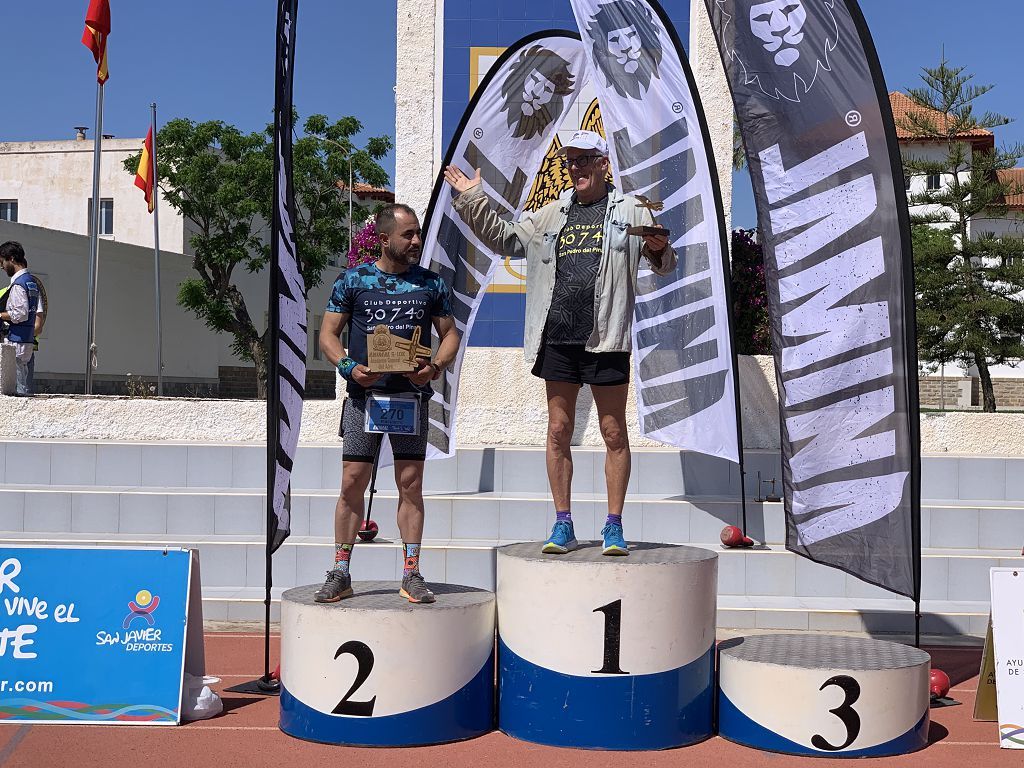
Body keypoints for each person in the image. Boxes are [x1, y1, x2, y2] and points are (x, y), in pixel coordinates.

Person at [444, 130, 677, 557]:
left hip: (605, 338)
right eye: (571, 160)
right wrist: (474, 198)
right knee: (557, 430)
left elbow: (663, 264)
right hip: (558, 338)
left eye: (587, 159)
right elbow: (505, 238)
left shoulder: (631, 210)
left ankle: (613, 526)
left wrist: (660, 249)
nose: (578, 167)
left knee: (612, 432)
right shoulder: (550, 214)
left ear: (604, 164)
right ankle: (563, 523)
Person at [316, 203, 460, 604]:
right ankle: (341, 571)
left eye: (417, 233)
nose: (416, 241)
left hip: (410, 399)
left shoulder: (431, 284)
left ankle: (411, 573)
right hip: (365, 398)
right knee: (351, 483)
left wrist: (433, 367)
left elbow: (450, 336)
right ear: (383, 240)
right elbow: (328, 334)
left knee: (411, 485)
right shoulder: (354, 280)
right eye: (408, 235)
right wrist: (348, 366)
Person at [0, 242, 40, 397]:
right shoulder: (31, 282)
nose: (2, 267)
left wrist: (1, 315)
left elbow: (19, 314)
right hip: (27, 338)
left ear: (11, 259)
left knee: (17, 387)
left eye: (2, 262)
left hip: (16, 340)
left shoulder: (18, 284)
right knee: (22, 378)